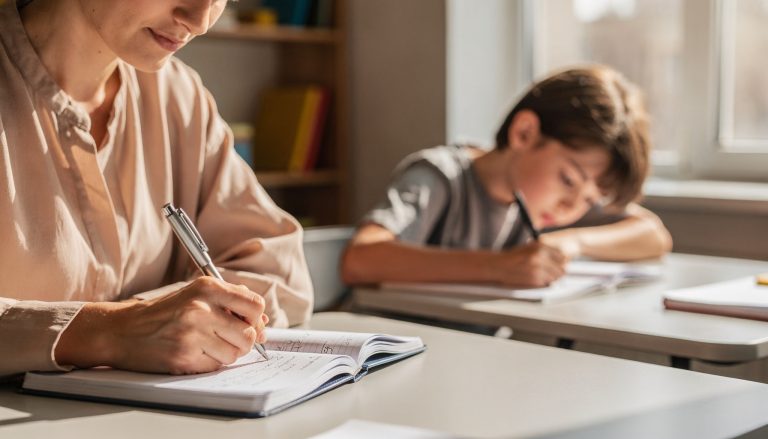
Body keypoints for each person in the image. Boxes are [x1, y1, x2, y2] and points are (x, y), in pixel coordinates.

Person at [0, 0, 313, 377]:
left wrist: (160, 319)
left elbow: (281, 271)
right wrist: (108, 331)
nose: (199, 21)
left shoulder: (179, 96)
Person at [342, 65, 673, 288]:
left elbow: (653, 235)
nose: (572, 207)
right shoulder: (441, 176)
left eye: (590, 199)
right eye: (568, 180)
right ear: (525, 133)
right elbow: (361, 258)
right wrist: (497, 266)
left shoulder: (549, 204)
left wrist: (571, 241)